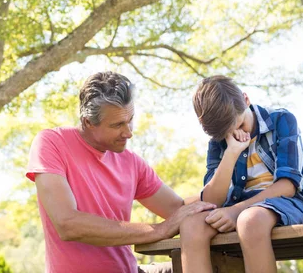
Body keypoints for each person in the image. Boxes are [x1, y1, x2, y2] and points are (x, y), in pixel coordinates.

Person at [26, 71, 216, 273]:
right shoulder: (52, 144)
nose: (129, 132)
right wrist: (160, 229)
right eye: (117, 125)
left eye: (130, 119)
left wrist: (237, 189)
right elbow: (67, 223)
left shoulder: (131, 162)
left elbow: (177, 208)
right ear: (88, 122)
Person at [181, 75, 303, 273]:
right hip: (236, 205)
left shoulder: (281, 120)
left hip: (287, 201)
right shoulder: (218, 141)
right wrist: (231, 152)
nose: (236, 134)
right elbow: (211, 200)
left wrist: (236, 210)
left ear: (246, 100)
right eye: (226, 134)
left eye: (239, 125)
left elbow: (288, 186)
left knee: (249, 220)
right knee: (191, 226)